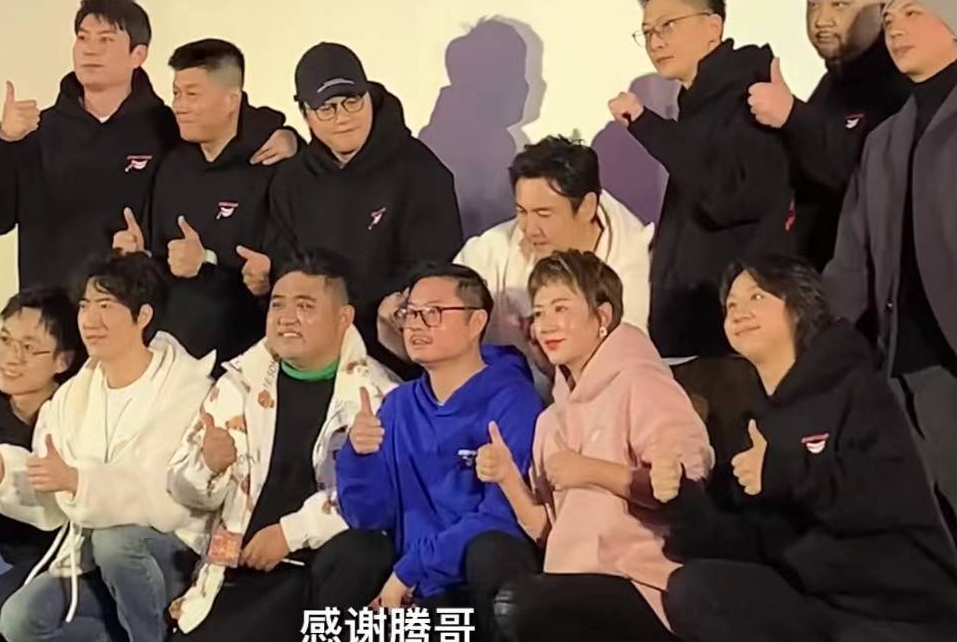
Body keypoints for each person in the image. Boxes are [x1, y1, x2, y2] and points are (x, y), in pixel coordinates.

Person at [663, 255, 957, 642]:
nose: (738, 313)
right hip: (821, 610)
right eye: (731, 305)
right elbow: (756, 541)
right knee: (695, 591)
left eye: (757, 297)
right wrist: (684, 502)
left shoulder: (857, 386)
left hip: (901, 615)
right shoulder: (758, 425)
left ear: (799, 306)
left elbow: (888, 494)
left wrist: (787, 472)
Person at [0, 0, 295, 290]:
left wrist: (286, 137)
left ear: (138, 54)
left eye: (106, 39)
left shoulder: (167, 127)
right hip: (50, 318)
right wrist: (2, 140)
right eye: (82, 38)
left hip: (140, 320)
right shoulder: (36, 131)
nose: (90, 49)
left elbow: (222, 125)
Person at [0, 253, 214, 642]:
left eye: (107, 306)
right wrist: (3, 473)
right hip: (95, 560)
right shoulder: (72, 398)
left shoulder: (187, 391)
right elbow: (54, 504)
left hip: (172, 551)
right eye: (86, 305)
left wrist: (80, 482)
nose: (90, 319)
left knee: (115, 543)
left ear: (143, 317)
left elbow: (169, 501)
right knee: (21, 620)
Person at [477, 251, 710, 642]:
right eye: (539, 313)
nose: (546, 324)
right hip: (571, 582)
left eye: (561, 308)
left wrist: (591, 470)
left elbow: (685, 483)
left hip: (642, 585)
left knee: (518, 605)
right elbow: (550, 532)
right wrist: (508, 479)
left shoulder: (641, 381)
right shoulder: (551, 419)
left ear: (602, 316)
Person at [164, 252, 399, 642]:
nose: (286, 318)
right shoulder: (238, 382)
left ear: (343, 318)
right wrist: (208, 468)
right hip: (233, 569)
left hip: (315, 571)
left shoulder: (380, 395)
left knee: (362, 551)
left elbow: (383, 500)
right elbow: (182, 487)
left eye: (305, 307)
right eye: (277, 305)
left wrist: (291, 533)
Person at [824, 0, 957, 562]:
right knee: (933, 542)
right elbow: (851, 261)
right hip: (899, 366)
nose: (896, 29)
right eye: (888, 19)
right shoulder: (884, 139)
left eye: (913, 12)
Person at [337, 263, 543, 642]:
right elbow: (370, 517)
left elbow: (501, 519)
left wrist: (409, 571)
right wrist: (359, 457)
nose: (415, 325)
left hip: (469, 583)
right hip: (413, 590)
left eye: (432, 312)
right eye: (410, 313)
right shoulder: (398, 405)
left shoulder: (514, 401)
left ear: (476, 322)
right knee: (350, 554)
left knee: (491, 550)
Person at [239, 42, 463, 373]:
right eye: (327, 109)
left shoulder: (421, 172)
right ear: (305, 114)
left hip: (394, 357)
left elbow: (435, 277)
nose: (343, 117)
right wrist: (265, 283)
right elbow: (287, 270)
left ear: (369, 96)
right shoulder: (291, 180)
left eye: (352, 101)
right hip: (312, 356)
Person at [378, 136, 654, 396]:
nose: (529, 229)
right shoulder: (491, 251)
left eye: (544, 214)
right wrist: (400, 327)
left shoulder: (634, 265)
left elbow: (627, 375)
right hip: (496, 402)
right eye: (522, 211)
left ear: (586, 207)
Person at [609, 0, 796, 358]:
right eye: (647, 32)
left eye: (667, 25)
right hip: (695, 333)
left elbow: (730, 196)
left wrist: (647, 126)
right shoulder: (697, 103)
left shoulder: (752, 96)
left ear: (712, 26)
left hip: (731, 338)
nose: (655, 41)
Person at [114, 39, 293, 366]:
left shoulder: (273, 165)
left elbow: (284, 274)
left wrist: (208, 262)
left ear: (231, 100)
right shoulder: (172, 166)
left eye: (192, 94)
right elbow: (156, 262)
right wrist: (137, 257)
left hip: (248, 364)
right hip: (170, 362)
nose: (179, 106)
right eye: (176, 93)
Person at [748, 0, 911, 269]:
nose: (821, 20)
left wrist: (792, 116)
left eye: (839, 4)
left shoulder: (902, 83)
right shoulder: (832, 84)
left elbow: (870, 176)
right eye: (813, 4)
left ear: (883, 5)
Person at [0, 289, 84, 629]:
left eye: (29, 347)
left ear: (63, 360)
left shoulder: (78, 415)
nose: (11, 357)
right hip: (1, 558)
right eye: (5, 340)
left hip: (66, 559)